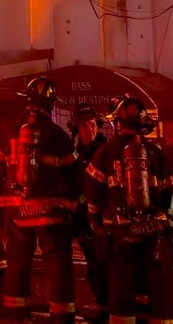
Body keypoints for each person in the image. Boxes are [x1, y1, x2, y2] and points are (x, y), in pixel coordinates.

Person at [85, 97, 173, 324]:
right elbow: (168, 195)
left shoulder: (105, 152)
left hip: (118, 236)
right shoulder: (156, 153)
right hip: (153, 234)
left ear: (117, 123)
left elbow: (92, 192)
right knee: (158, 296)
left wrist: (95, 222)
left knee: (121, 295)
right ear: (143, 125)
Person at [0, 77, 78, 324]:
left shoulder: (11, 130)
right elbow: (74, 173)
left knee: (17, 262)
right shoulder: (58, 135)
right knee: (56, 262)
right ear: (51, 103)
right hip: (51, 211)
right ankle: (61, 316)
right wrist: (74, 203)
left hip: (17, 210)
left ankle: (15, 313)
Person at [70, 102, 109, 323]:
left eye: (93, 125)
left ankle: (109, 305)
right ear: (78, 129)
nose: (90, 130)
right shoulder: (75, 154)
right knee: (94, 263)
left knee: (104, 263)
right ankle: (103, 303)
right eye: (85, 126)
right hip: (84, 221)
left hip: (105, 219)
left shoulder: (105, 151)